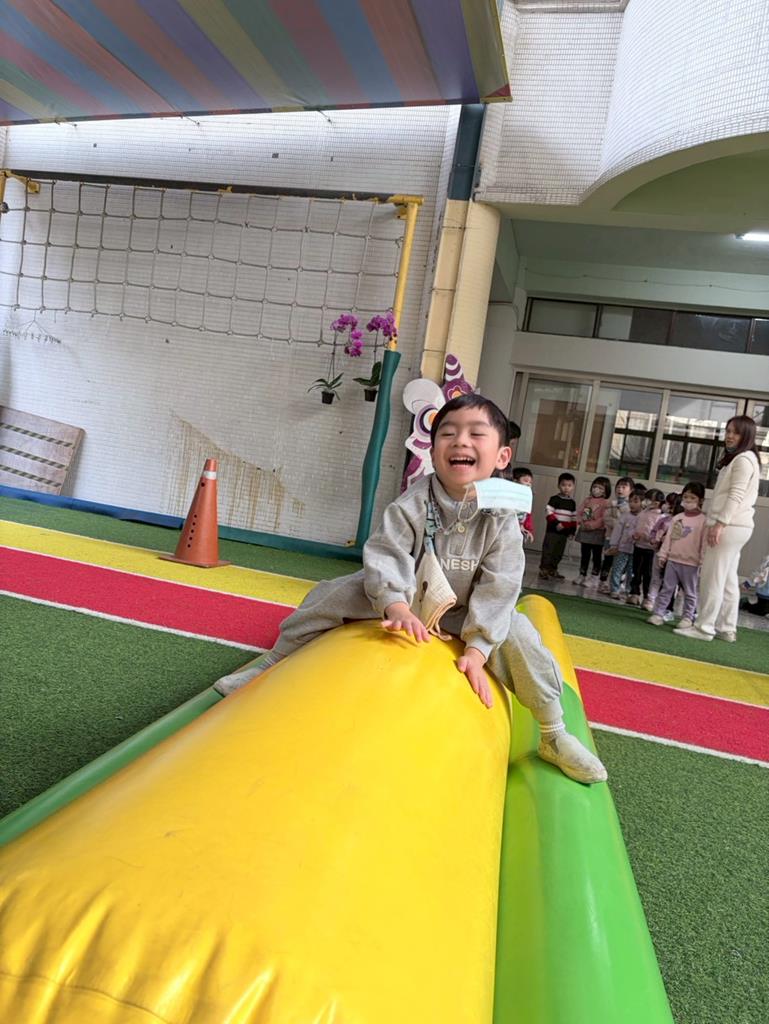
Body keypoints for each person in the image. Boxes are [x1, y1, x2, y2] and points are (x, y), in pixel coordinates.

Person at [214, 393, 606, 784]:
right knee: (331, 594)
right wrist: (395, 605)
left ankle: (553, 732)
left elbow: (501, 581)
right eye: (448, 433)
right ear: (433, 452)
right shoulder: (413, 502)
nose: (460, 441)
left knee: (522, 636)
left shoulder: (502, 514)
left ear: (502, 456)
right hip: (410, 598)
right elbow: (388, 552)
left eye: (476, 434)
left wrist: (478, 648)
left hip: (466, 609)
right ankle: (271, 665)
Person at [675, 416, 762, 642]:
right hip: (737, 526)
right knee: (728, 578)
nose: (730, 436)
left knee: (712, 577)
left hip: (730, 525)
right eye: (728, 431)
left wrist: (720, 523)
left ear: (746, 436)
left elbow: (735, 495)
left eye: (736, 432)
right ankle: (726, 628)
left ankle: (704, 627)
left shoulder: (743, 460)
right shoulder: (746, 458)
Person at [647, 483, 706, 628]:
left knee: (690, 592)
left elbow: (704, 543)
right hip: (673, 560)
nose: (688, 500)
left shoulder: (704, 520)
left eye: (692, 498)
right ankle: (658, 614)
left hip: (692, 563)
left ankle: (687, 617)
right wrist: (663, 555)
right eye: (686, 497)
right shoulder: (677, 518)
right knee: (667, 588)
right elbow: (669, 538)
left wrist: (703, 561)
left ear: (700, 500)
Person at [627, 489, 664, 606]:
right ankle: (634, 593)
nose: (647, 502)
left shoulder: (661, 516)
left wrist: (650, 538)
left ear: (658, 502)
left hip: (651, 549)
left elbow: (659, 532)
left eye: (650, 500)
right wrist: (633, 534)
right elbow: (634, 526)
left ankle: (648, 597)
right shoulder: (643, 513)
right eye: (647, 499)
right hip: (638, 546)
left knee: (648, 574)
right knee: (636, 571)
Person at [644, 491, 680, 611]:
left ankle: (666, 605)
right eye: (668, 503)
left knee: (670, 582)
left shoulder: (681, 522)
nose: (669, 506)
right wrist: (654, 539)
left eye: (672, 504)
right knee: (656, 577)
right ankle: (651, 599)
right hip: (659, 552)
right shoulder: (664, 519)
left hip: (674, 555)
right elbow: (654, 531)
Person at [598, 476, 634, 593]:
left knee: (619, 563)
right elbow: (606, 518)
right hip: (609, 536)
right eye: (618, 487)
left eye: (624, 487)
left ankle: (617, 583)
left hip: (623, 540)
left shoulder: (630, 506)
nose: (620, 489)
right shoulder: (611, 504)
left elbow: (628, 522)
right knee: (607, 559)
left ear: (631, 490)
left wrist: (619, 523)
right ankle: (603, 581)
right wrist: (617, 523)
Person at [573, 477, 611, 586]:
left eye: (600, 488)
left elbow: (604, 518)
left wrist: (592, 525)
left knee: (596, 556)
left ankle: (594, 576)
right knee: (584, 554)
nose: (596, 489)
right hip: (585, 531)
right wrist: (581, 522)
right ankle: (582, 574)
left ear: (606, 491)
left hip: (598, 533)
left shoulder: (606, 503)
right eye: (594, 486)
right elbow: (581, 513)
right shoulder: (588, 500)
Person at [539, 472, 577, 580]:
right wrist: (556, 523)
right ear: (559, 485)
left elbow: (573, 518)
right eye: (563, 485)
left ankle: (553, 569)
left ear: (573, 487)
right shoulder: (554, 499)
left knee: (558, 552)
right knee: (548, 550)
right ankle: (544, 569)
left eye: (569, 485)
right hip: (552, 531)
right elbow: (549, 512)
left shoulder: (572, 503)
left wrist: (572, 531)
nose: (566, 488)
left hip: (564, 533)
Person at [605, 490, 642, 598]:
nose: (632, 504)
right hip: (621, 549)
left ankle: (629, 591)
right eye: (630, 501)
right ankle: (614, 589)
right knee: (617, 569)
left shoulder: (643, 517)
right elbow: (617, 531)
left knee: (632, 571)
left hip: (636, 550)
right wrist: (614, 545)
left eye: (636, 501)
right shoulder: (625, 516)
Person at [512, 466, 535, 543]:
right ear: (515, 481)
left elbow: (527, 515)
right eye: (526, 481)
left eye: (530, 482)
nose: (528, 484)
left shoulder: (527, 498)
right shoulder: (510, 496)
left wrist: (527, 529)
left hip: (519, 529)